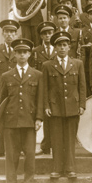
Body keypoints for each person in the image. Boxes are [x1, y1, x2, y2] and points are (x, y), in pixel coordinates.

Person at [0, 38, 43, 183]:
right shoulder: (6, 76)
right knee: (11, 154)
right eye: (19, 52)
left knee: (30, 154)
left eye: (25, 52)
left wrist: (39, 118)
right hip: (11, 121)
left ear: (29, 54)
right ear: (14, 55)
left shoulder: (37, 75)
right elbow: (1, 101)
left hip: (29, 121)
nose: (22, 55)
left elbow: (40, 99)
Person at [43, 31, 86, 179]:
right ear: (55, 48)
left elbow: (82, 86)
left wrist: (82, 104)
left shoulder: (78, 64)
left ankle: (70, 169)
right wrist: (47, 106)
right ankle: (57, 169)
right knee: (56, 139)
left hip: (73, 107)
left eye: (65, 45)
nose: (62, 48)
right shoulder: (47, 65)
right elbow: (45, 88)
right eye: (59, 45)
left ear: (69, 47)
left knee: (69, 139)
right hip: (55, 108)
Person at [0, 19, 20, 159]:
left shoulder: (20, 49)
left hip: (16, 89)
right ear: (3, 33)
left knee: (18, 117)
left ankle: (18, 148)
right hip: (1, 91)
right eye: (7, 32)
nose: (9, 35)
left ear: (16, 34)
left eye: (12, 32)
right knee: (0, 117)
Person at [30, 21, 57, 156]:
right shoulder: (35, 51)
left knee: (56, 117)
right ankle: (45, 146)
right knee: (43, 116)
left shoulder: (59, 49)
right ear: (41, 36)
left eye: (50, 33)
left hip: (56, 87)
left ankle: (57, 146)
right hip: (41, 87)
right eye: (45, 33)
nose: (47, 36)